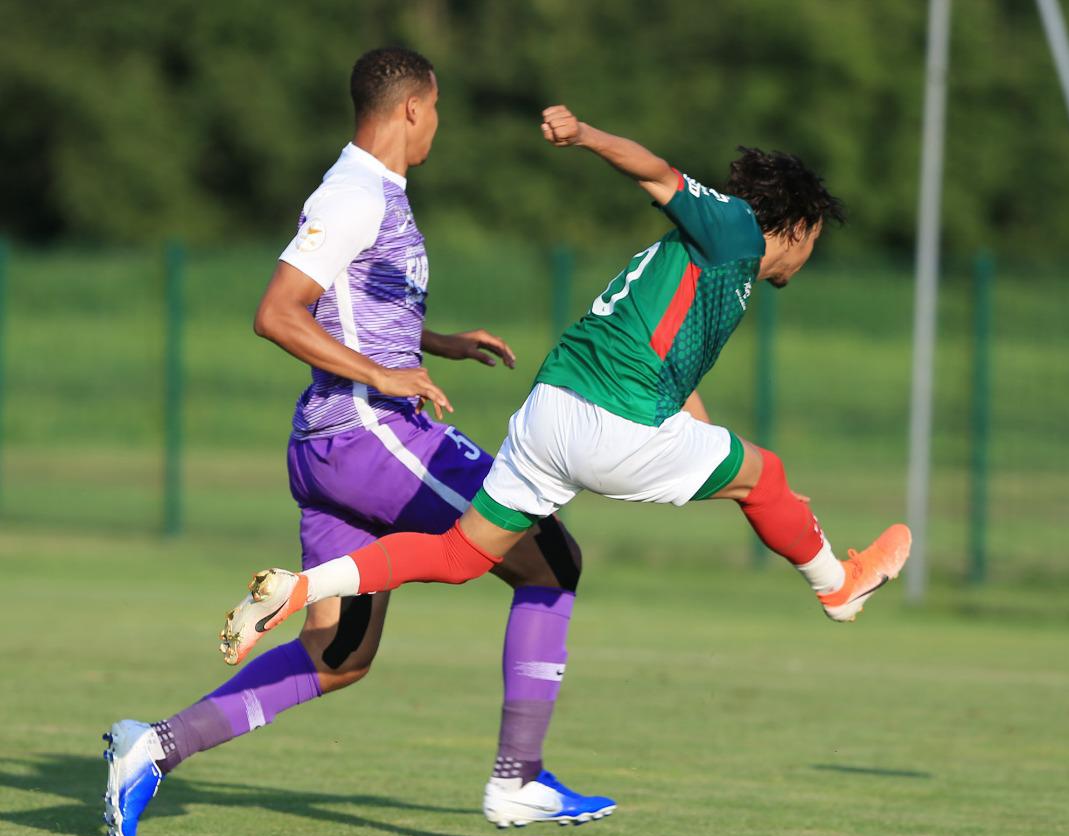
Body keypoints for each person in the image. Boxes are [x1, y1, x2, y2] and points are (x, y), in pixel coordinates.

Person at [220, 103, 914, 783]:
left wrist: (749, 487)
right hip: (607, 421)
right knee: (765, 475)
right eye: (813, 241)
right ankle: (838, 586)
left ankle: (302, 587)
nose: (808, 256)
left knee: (459, 554)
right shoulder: (734, 228)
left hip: (550, 412)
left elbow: (673, 387)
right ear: (793, 227)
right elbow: (657, 173)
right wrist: (585, 136)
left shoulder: (699, 273)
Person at [101, 49, 613, 836]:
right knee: (552, 558)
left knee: (340, 654)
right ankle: (520, 777)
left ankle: (153, 748)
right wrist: (386, 374)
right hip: (370, 436)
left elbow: (351, 304)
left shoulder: (373, 193)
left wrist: (434, 344)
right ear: (413, 108)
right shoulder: (352, 193)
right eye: (436, 109)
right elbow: (278, 311)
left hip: (333, 445)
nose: (438, 124)